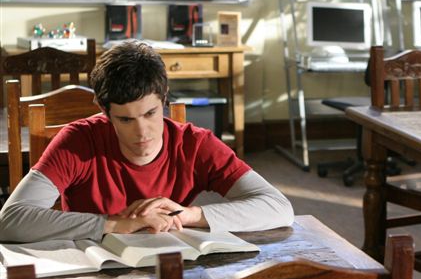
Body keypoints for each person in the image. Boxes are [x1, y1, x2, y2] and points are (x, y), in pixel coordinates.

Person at [0, 41, 294, 243]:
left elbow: (279, 207)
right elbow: (10, 220)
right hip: (94, 267)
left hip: (168, 262)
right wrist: (115, 224)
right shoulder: (77, 141)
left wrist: (189, 214)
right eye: (125, 120)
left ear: (164, 97)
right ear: (104, 111)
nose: (142, 133)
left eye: (151, 113)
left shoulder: (195, 144)